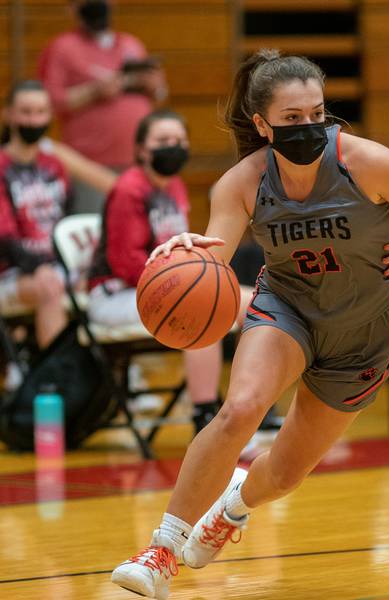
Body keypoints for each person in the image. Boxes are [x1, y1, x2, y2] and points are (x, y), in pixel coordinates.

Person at [110, 49, 389, 599]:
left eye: (317, 113)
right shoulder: (242, 182)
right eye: (293, 119)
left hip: (365, 331)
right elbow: (216, 257)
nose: (309, 127)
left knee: (284, 474)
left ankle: (232, 507)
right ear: (262, 124)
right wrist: (189, 256)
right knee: (241, 407)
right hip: (289, 311)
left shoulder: (366, 161)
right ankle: (161, 549)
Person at [86, 109, 233, 436]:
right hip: (115, 294)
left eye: (180, 141)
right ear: (141, 150)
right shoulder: (129, 189)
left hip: (156, 286)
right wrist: (181, 283)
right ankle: (206, 421)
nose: (174, 146)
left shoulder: (175, 186)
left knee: (250, 304)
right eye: (163, 141)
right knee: (200, 314)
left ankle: (248, 410)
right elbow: (125, 263)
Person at [38, 0, 167, 212]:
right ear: (72, 8)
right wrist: (94, 91)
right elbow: (50, 102)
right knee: (93, 231)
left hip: (139, 163)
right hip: (89, 166)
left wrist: (157, 88)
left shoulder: (131, 44)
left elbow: (159, 96)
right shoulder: (62, 47)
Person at [0, 81, 71, 350]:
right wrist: (39, 266)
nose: (34, 119)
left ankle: (116, 374)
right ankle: (52, 383)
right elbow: (4, 237)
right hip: (11, 272)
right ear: (9, 114)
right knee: (49, 288)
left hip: (53, 266)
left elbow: (67, 222)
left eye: (41, 112)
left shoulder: (55, 165)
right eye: (26, 112)